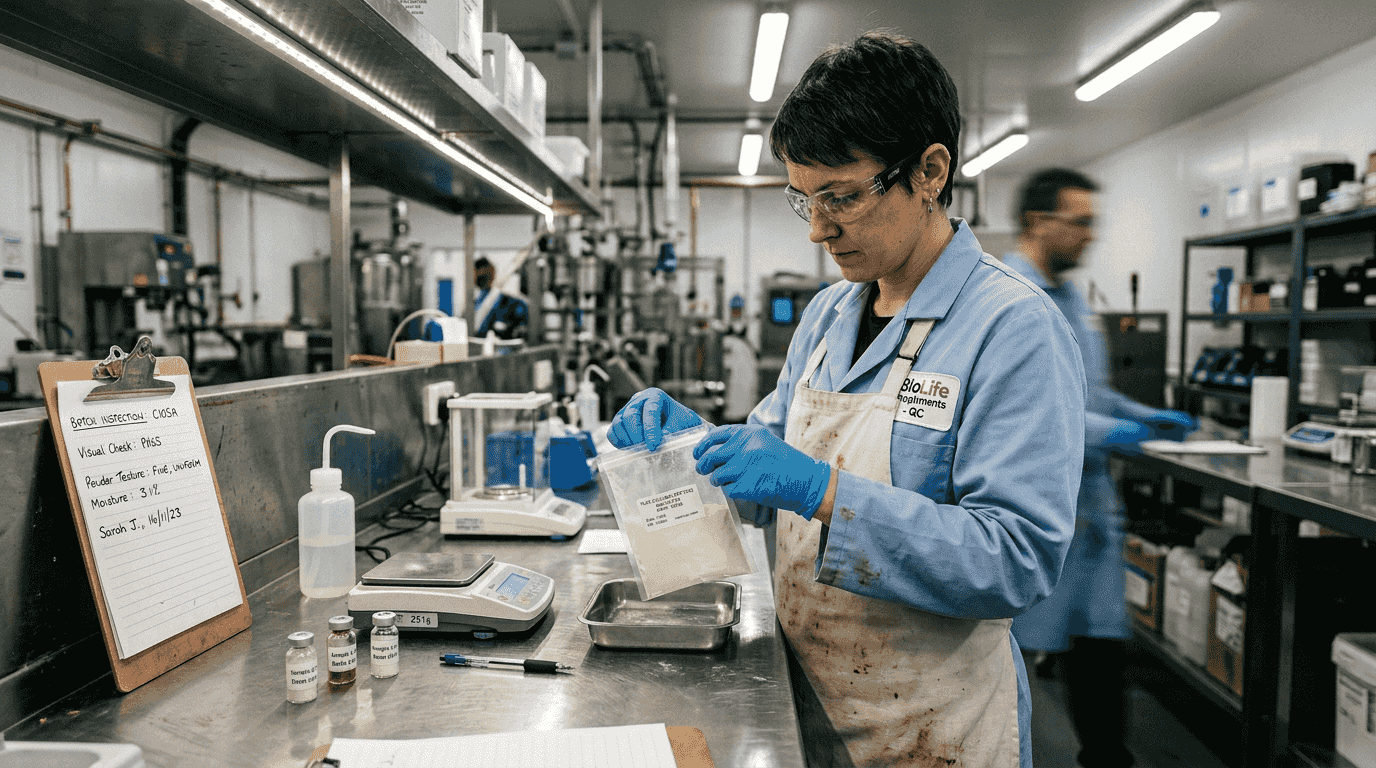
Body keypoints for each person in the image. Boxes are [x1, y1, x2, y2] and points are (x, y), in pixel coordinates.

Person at [609, 32, 1087, 768]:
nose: (818, 229)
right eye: (805, 198)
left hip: (934, 729)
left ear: (930, 171)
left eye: (842, 197)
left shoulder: (1013, 327)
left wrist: (826, 492)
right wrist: (691, 444)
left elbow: (1016, 559)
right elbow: (765, 464)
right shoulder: (830, 314)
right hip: (807, 699)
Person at [1003, 168, 1197, 768]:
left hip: (1089, 516)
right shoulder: (1011, 299)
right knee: (1008, 666)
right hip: (1034, 511)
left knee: (1100, 650)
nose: (1091, 236)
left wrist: (1147, 415)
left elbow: (1092, 395)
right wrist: (1118, 434)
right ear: (1038, 222)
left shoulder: (1074, 302)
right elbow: (1035, 416)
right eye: (1080, 222)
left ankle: (1106, 758)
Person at [472, 256, 528, 340]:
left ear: (493, 272)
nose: (481, 275)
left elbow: (521, 334)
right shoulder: (474, 304)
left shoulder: (514, 304)